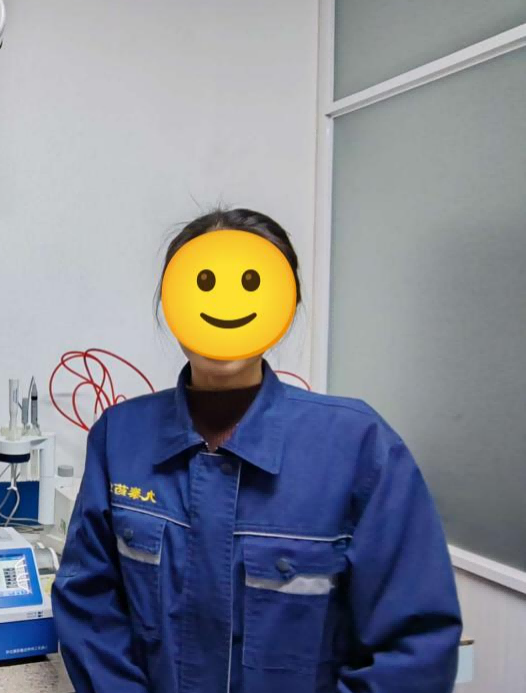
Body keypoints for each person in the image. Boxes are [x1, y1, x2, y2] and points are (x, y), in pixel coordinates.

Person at [52, 208, 462, 692]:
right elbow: (90, 607)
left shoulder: (360, 448)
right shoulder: (120, 438)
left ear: (285, 305)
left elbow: (413, 649)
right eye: (204, 283)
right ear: (171, 302)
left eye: (250, 283)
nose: (225, 306)